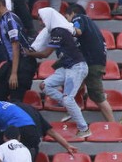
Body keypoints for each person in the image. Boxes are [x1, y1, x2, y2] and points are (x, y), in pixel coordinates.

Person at [28, 7, 90, 138]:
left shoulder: (59, 31)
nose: (41, 23)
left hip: (76, 67)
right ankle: (73, 109)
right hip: (68, 67)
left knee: (68, 99)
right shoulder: (56, 30)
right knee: (45, 86)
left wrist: (28, 53)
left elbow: (45, 54)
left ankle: (84, 128)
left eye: (41, 20)